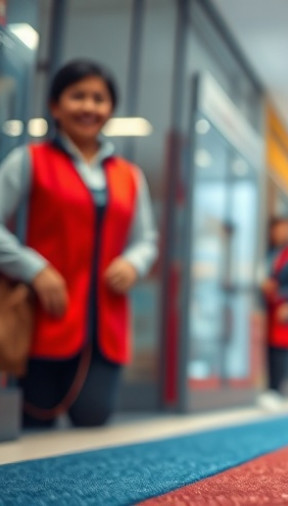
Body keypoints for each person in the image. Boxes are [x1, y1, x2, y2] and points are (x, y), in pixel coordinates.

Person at [0, 59, 158, 428]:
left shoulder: (130, 176)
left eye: (99, 98)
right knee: (35, 422)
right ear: (55, 106)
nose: (89, 107)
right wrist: (32, 267)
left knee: (93, 417)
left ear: (110, 110)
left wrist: (134, 262)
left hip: (107, 325)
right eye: (77, 96)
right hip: (44, 320)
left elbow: (147, 239)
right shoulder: (29, 160)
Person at [260, 217, 288, 407]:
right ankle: (270, 390)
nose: (281, 233)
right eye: (278, 229)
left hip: (285, 309)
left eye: (285, 229)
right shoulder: (270, 253)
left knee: (282, 351)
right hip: (270, 309)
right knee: (270, 350)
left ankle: (277, 391)